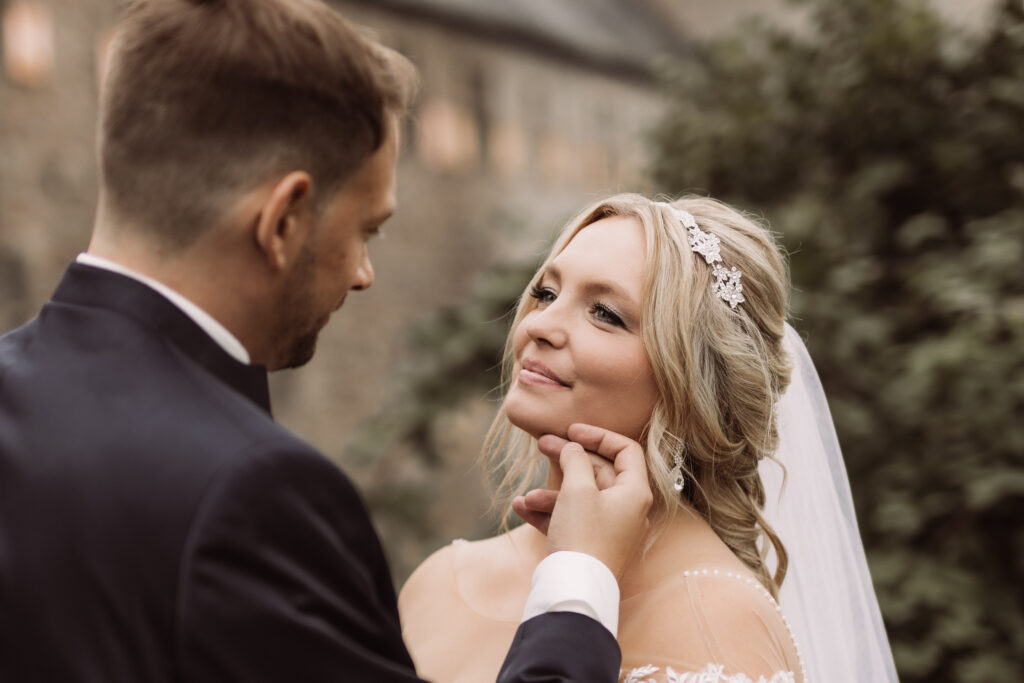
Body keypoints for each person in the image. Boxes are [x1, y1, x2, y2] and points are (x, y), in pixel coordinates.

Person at [0, 1, 654, 681]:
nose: (364, 274)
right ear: (283, 220)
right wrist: (580, 578)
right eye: (365, 230)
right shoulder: (252, 495)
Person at [400, 194, 900, 682]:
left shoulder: (717, 625)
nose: (541, 324)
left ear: (693, 385)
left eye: (605, 313)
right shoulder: (439, 582)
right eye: (547, 294)